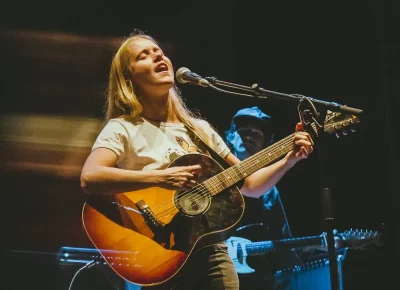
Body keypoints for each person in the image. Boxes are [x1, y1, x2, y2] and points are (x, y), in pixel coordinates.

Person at [80, 29, 314, 290]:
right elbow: (91, 177)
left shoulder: (199, 129)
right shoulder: (124, 128)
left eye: (159, 52)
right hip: (159, 254)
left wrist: (288, 160)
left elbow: (250, 185)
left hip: (212, 253)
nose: (158, 57)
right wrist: (160, 177)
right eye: (144, 56)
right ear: (128, 78)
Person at [225, 106, 304, 290]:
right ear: (229, 136)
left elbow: (281, 239)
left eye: (256, 134)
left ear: (265, 145)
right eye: (243, 132)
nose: (249, 137)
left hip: (255, 279)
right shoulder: (213, 177)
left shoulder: (270, 191)